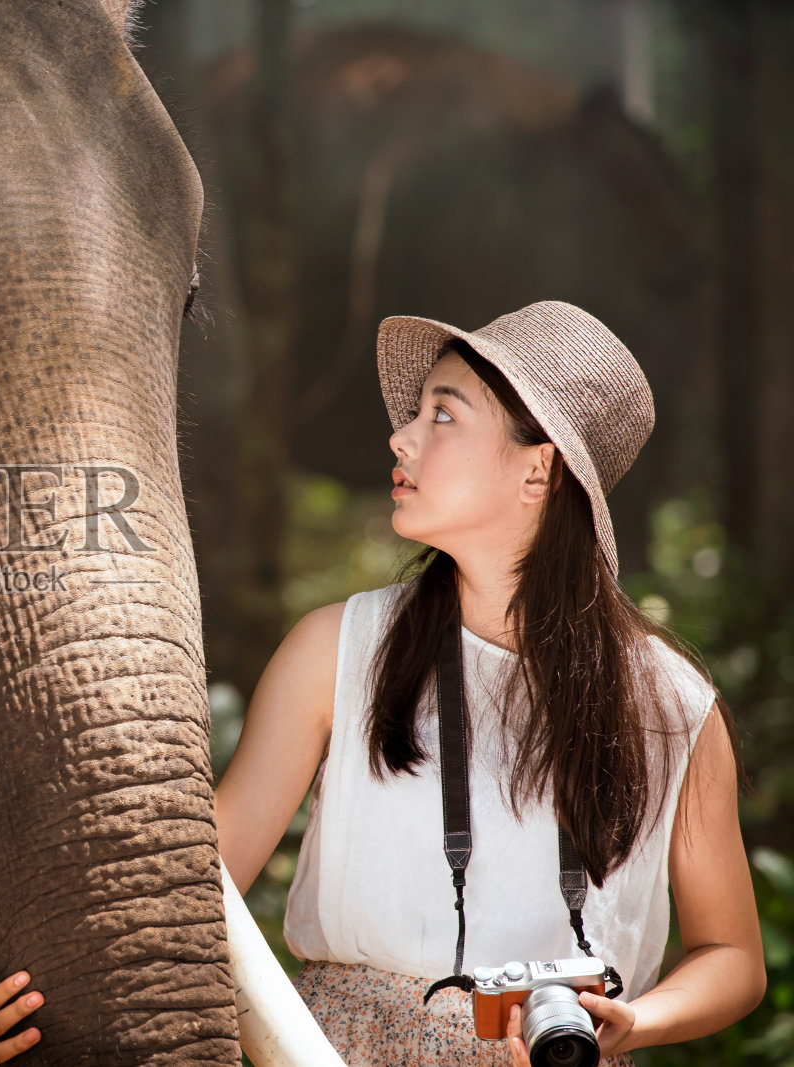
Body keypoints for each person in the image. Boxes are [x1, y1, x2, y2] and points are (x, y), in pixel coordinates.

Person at [214, 301, 765, 1064]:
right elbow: (196, 888)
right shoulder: (336, 648)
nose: (400, 436)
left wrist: (634, 1020)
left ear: (539, 467)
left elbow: (733, 955)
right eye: (416, 412)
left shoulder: (671, 706)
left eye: (443, 414)